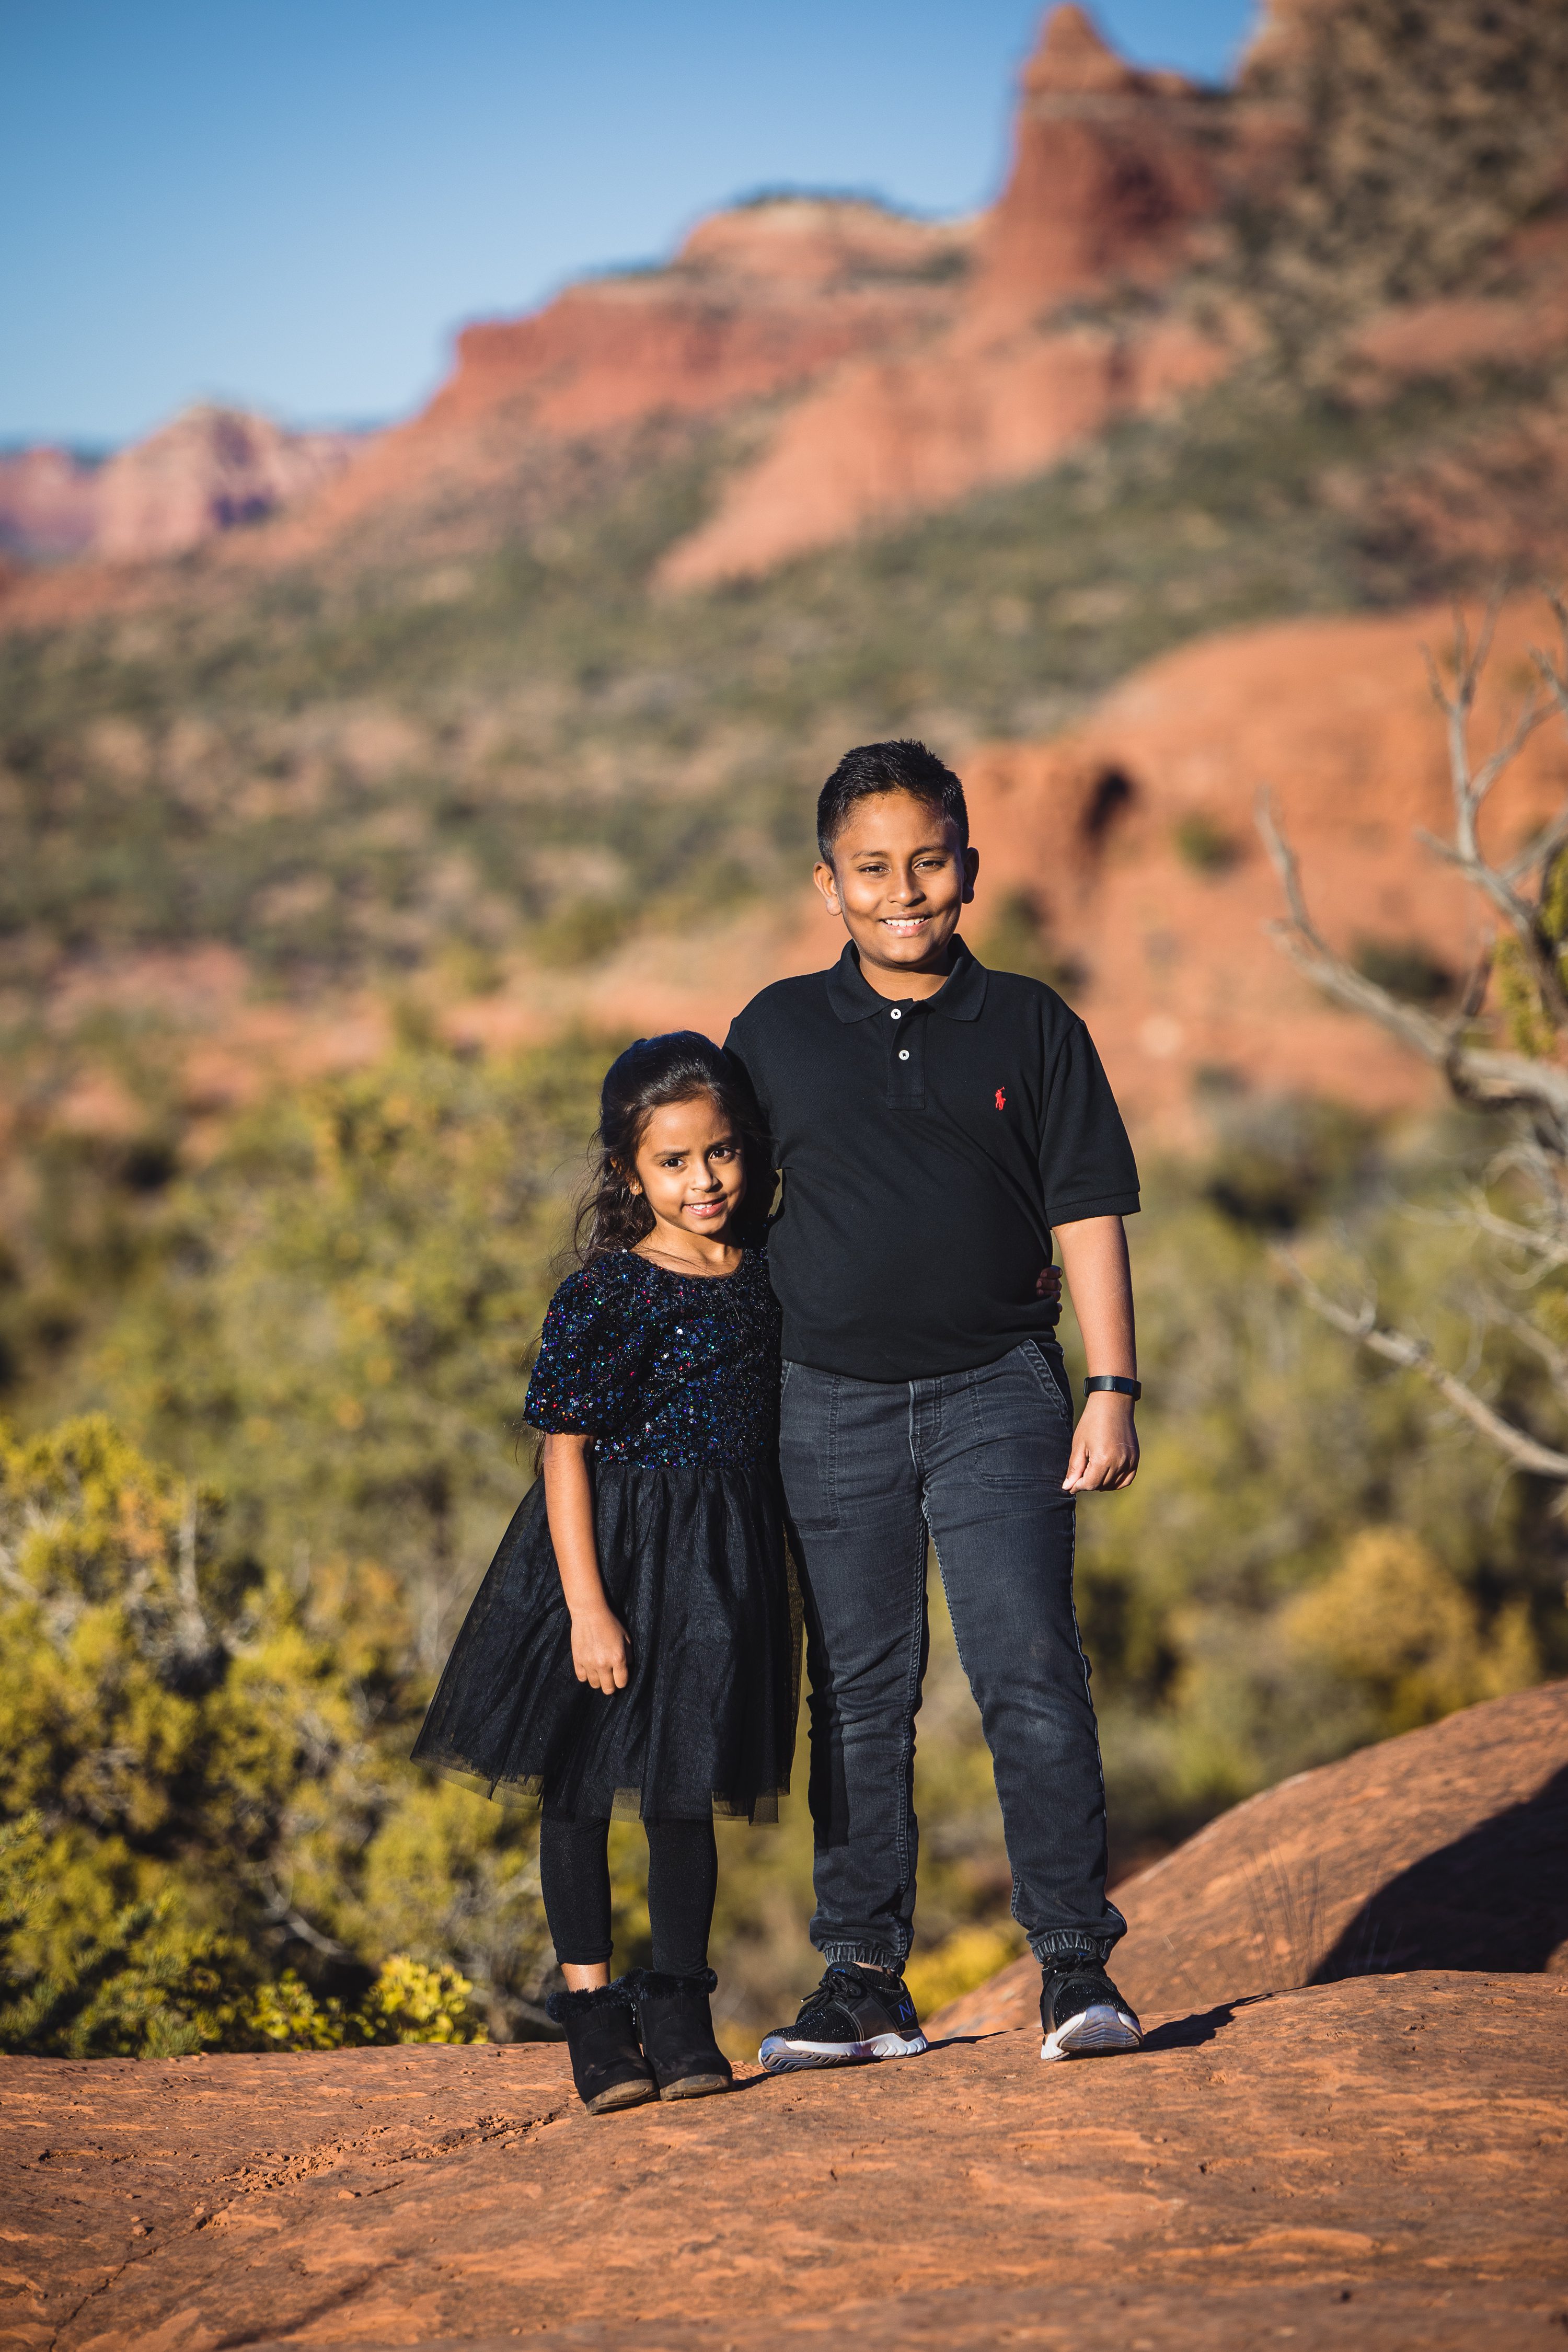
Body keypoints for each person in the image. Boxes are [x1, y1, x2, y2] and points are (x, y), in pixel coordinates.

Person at [724, 739, 1145, 2076]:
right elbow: (719, 1212)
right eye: (871, 868)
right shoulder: (775, 1031)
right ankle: (863, 1985)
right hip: (821, 1407)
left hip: (998, 1396)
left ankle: (1074, 1965)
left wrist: (1113, 1384)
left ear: (968, 866)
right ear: (827, 883)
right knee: (855, 1691)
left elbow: (1087, 1208)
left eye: (928, 861)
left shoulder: (1033, 1025)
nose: (903, 890)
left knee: (1028, 1666)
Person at [413, 1033, 796, 2114]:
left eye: (720, 1154)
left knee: (684, 1788)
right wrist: (588, 1606)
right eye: (673, 1163)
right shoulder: (608, 1293)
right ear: (630, 1175)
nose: (704, 1181)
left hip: (720, 1561)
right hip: (605, 1554)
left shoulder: (765, 1270)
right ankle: (594, 2024)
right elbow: (564, 1446)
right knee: (579, 1785)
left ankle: (679, 2015)